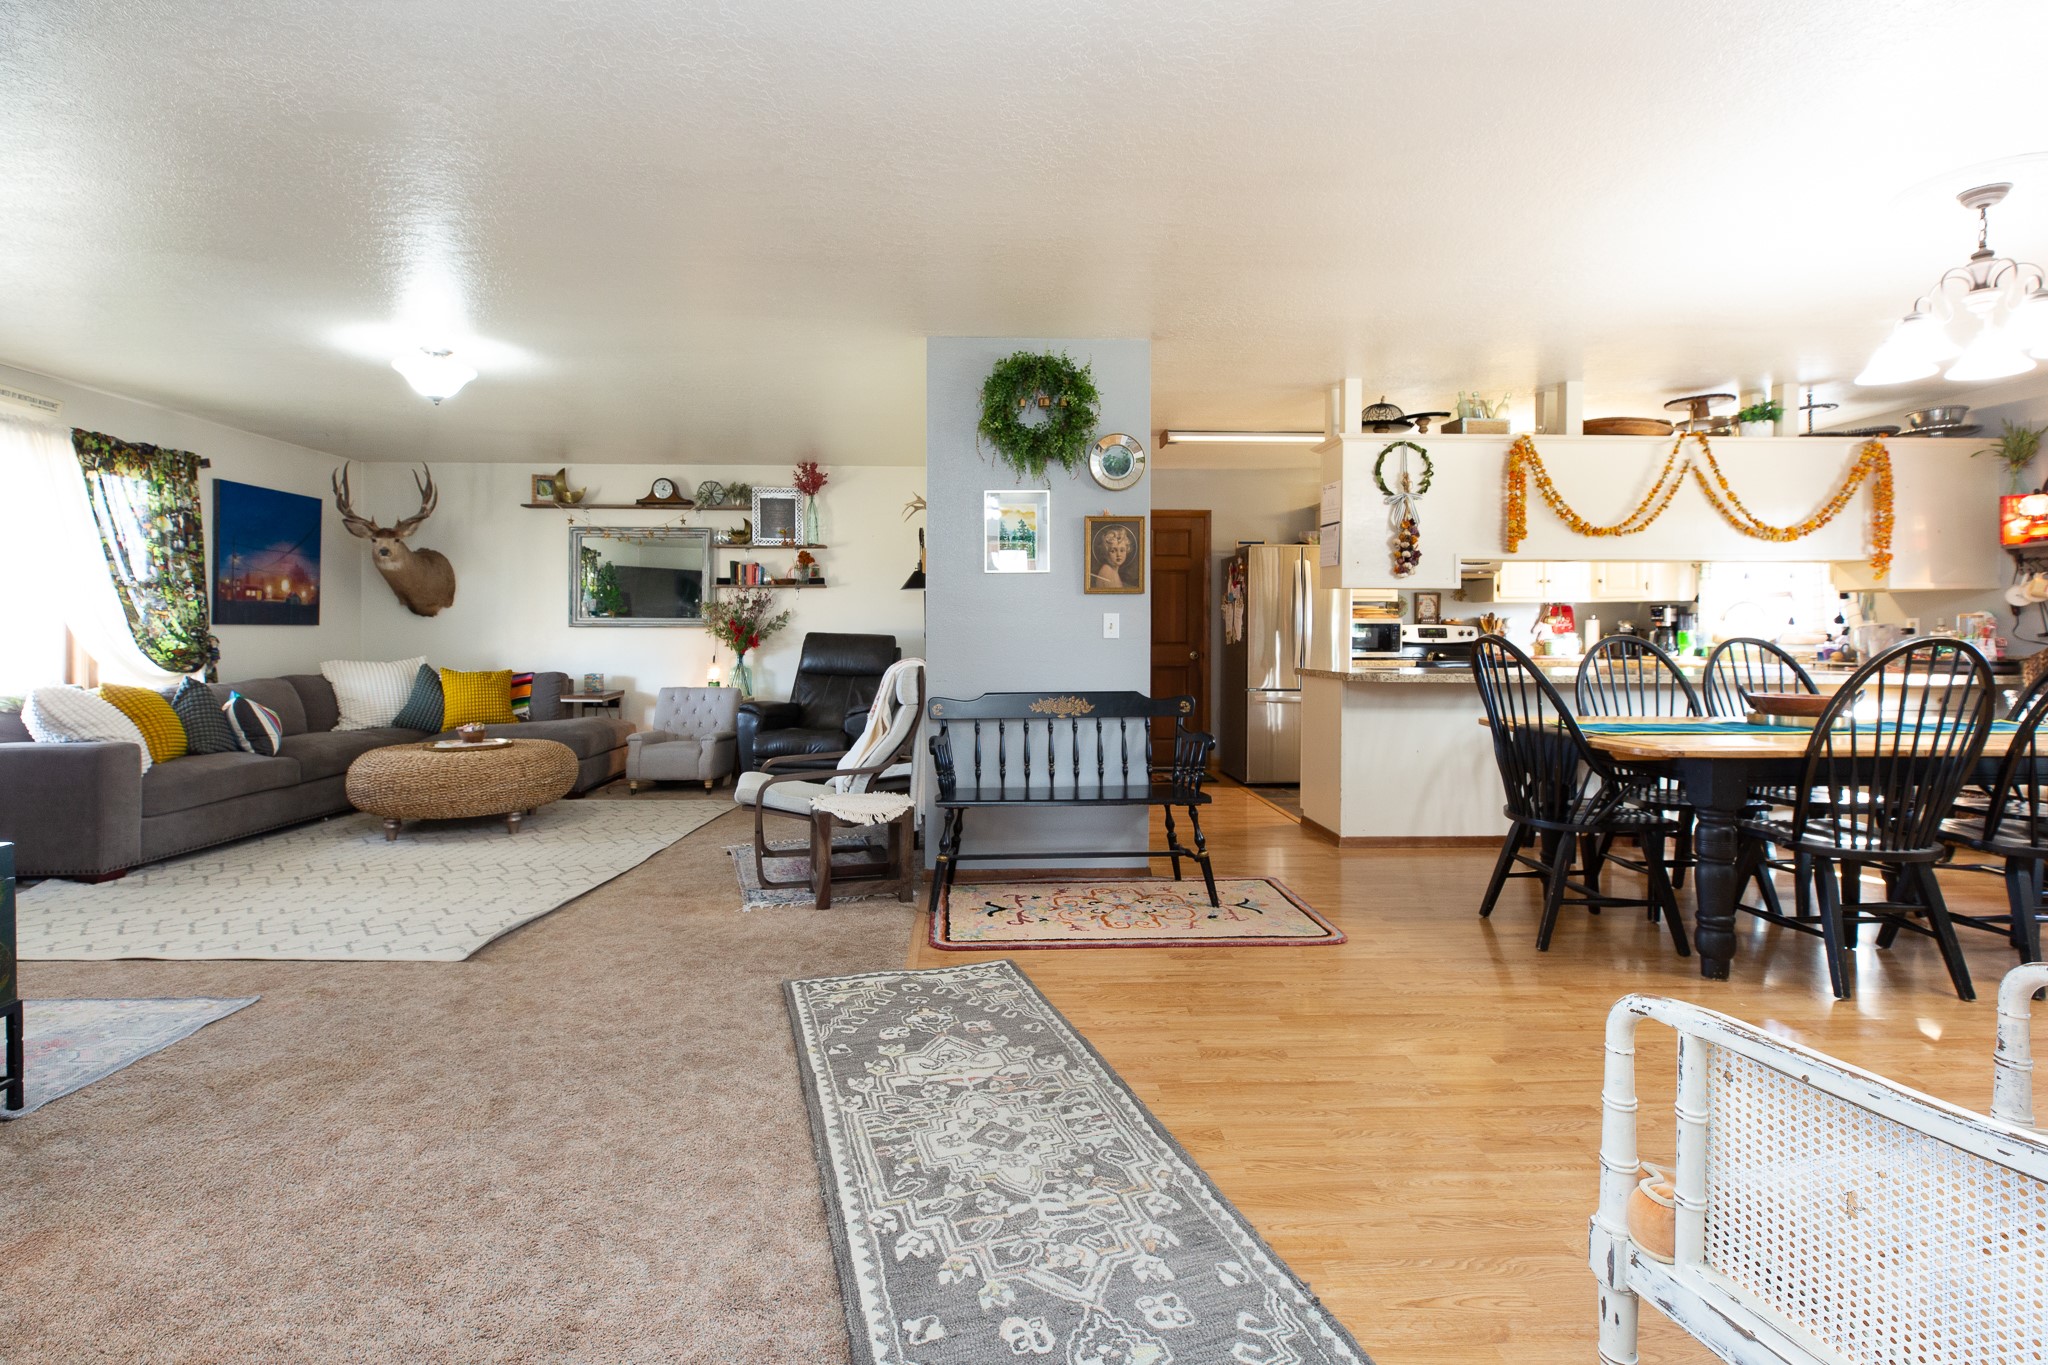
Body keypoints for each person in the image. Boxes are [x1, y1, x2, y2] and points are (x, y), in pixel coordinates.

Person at [1092, 522, 1136, 590]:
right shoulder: (1107, 571)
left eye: (1122, 550)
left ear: (1127, 551)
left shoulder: (1113, 570)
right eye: (1113, 551)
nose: (1118, 555)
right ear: (1106, 552)